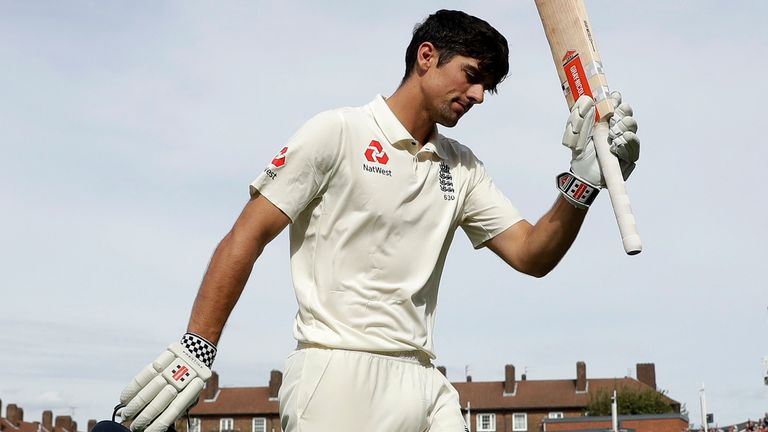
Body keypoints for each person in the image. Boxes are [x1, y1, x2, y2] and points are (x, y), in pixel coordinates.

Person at [117, 9, 640, 432]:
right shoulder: (336, 133)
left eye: (489, 88)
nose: (479, 96)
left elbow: (531, 254)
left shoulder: (463, 166)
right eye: (473, 76)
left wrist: (582, 184)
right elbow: (246, 235)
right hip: (337, 372)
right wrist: (197, 346)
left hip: (424, 378)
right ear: (426, 57)